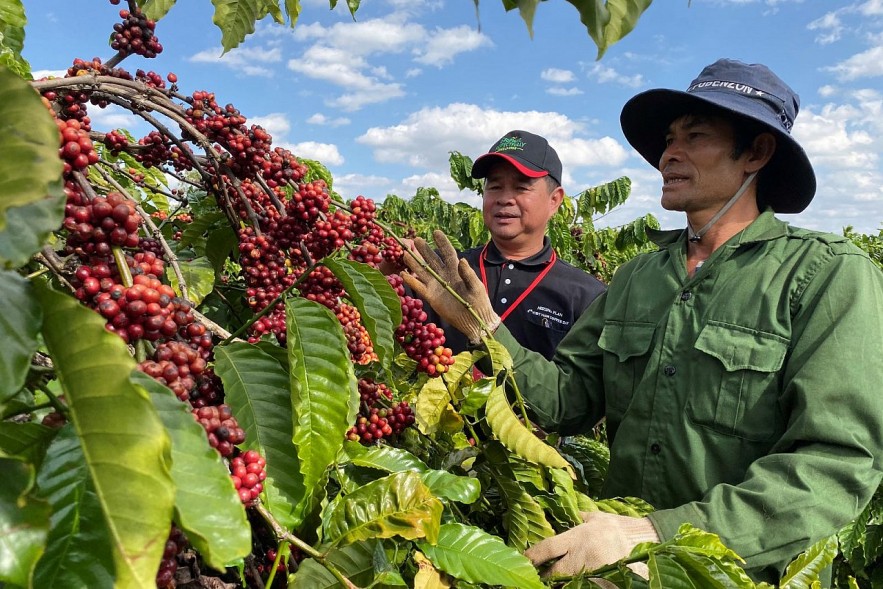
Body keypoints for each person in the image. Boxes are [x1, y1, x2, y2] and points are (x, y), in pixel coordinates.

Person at [402, 58, 883, 584]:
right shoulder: (638, 278)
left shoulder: (825, 275)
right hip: (614, 568)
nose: (668, 154)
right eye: (669, 139)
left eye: (694, 136)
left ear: (756, 153)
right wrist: (482, 326)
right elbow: (566, 402)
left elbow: (836, 463)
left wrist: (653, 532)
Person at [424, 130, 606, 360]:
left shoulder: (585, 295)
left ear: (554, 201)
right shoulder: (445, 271)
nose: (504, 198)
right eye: (495, 187)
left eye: (521, 188)